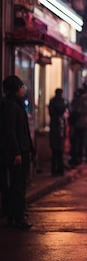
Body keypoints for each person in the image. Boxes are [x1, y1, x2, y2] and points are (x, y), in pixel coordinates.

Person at [0, 75, 35, 228]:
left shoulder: (17, 104)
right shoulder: (11, 106)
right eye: (21, 87)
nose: (23, 89)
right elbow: (11, 131)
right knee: (17, 185)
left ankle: (16, 214)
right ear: (15, 89)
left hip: (23, 149)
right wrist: (17, 152)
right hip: (17, 152)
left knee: (19, 184)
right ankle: (17, 217)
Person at [48, 88, 68, 176]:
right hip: (59, 127)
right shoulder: (63, 102)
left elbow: (51, 112)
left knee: (55, 151)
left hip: (54, 127)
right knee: (59, 150)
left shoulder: (52, 102)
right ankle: (60, 169)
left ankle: (55, 169)